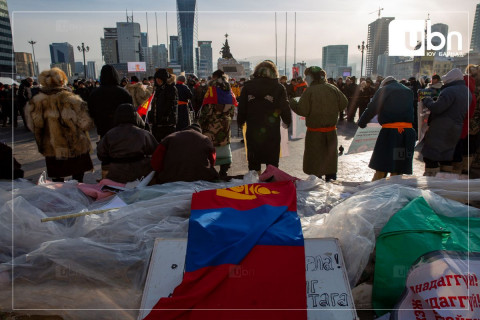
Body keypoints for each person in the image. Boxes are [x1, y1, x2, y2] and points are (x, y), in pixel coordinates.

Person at [24, 68, 93, 182]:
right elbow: (85, 123)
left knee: (57, 178)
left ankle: (61, 196)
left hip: (51, 146)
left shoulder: (35, 102)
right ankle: (78, 195)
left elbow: (32, 126)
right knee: (77, 176)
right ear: (62, 81)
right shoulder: (71, 99)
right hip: (74, 144)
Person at [290, 67, 348, 181]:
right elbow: (344, 103)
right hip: (331, 133)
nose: (306, 79)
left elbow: (303, 110)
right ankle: (331, 184)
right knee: (330, 161)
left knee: (316, 162)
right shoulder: (332, 88)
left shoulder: (310, 91)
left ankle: (317, 187)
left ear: (311, 77)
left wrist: (293, 102)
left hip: (315, 134)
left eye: (307, 76)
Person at [237, 60, 292, 174]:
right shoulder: (278, 87)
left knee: (254, 157)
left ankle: (255, 182)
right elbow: (284, 107)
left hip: (253, 126)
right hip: (271, 128)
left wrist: (240, 121)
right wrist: (287, 121)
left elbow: (242, 106)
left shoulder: (248, 87)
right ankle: (270, 181)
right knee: (271, 158)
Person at [358, 76, 416, 181]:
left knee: (383, 162)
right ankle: (394, 186)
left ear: (384, 84)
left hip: (390, 133)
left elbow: (372, 107)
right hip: (406, 134)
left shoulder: (384, 90)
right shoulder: (408, 91)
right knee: (398, 163)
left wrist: (362, 122)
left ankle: (377, 188)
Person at [421, 68, 471, 176]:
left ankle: (431, 183)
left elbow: (437, 108)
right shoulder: (467, 91)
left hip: (441, 129)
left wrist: (427, 99)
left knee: (431, 157)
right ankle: (445, 183)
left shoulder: (449, 91)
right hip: (456, 128)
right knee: (446, 158)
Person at [97, 103, 158, 183]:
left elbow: (101, 154)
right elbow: (156, 151)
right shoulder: (143, 134)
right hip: (140, 174)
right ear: (135, 116)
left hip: (116, 175)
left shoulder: (110, 134)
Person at [198, 72, 237, 179]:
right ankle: (224, 171)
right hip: (225, 123)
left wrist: (201, 122)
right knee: (225, 146)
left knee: (210, 147)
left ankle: (211, 171)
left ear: (214, 77)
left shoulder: (211, 89)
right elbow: (233, 108)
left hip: (211, 124)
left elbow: (207, 108)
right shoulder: (229, 89)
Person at [151, 123, 218, 184]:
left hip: (170, 178)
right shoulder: (205, 139)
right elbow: (213, 160)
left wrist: (161, 172)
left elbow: (156, 160)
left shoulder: (170, 137)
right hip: (202, 177)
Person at [88, 64, 133, 138]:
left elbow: (91, 112)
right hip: (121, 130)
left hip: (103, 129)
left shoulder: (94, 93)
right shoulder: (123, 93)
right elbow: (131, 111)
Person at [148, 68, 178, 142]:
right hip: (157, 122)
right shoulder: (157, 89)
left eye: (160, 79)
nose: (158, 80)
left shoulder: (170, 88)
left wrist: (165, 116)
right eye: (157, 79)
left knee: (168, 144)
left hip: (167, 122)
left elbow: (171, 104)